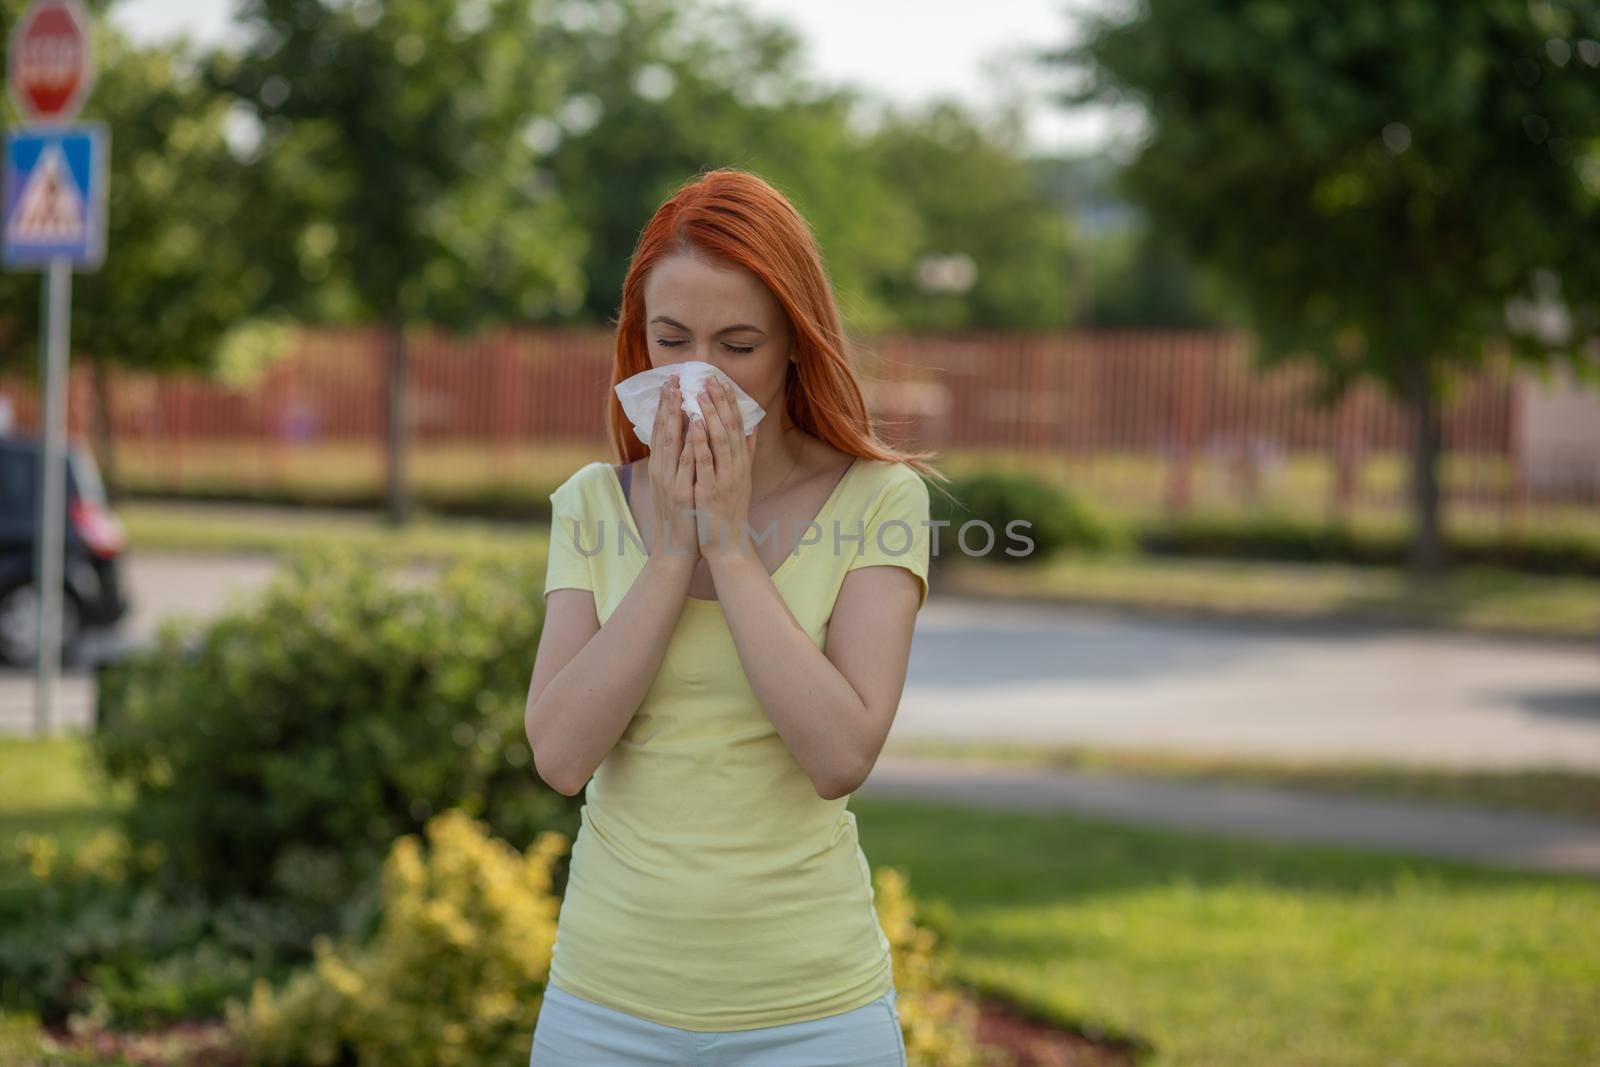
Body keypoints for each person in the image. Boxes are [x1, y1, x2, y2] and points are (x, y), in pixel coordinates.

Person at [524, 167, 945, 1066]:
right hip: (605, 1005)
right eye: (671, 340)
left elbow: (840, 754)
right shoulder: (594, 504)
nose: (697, 378)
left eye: (738, 344)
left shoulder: (881, 499)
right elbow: (559, 754)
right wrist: (672, 552)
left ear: (797, 342)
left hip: (813, 1013)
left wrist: (730, 544)